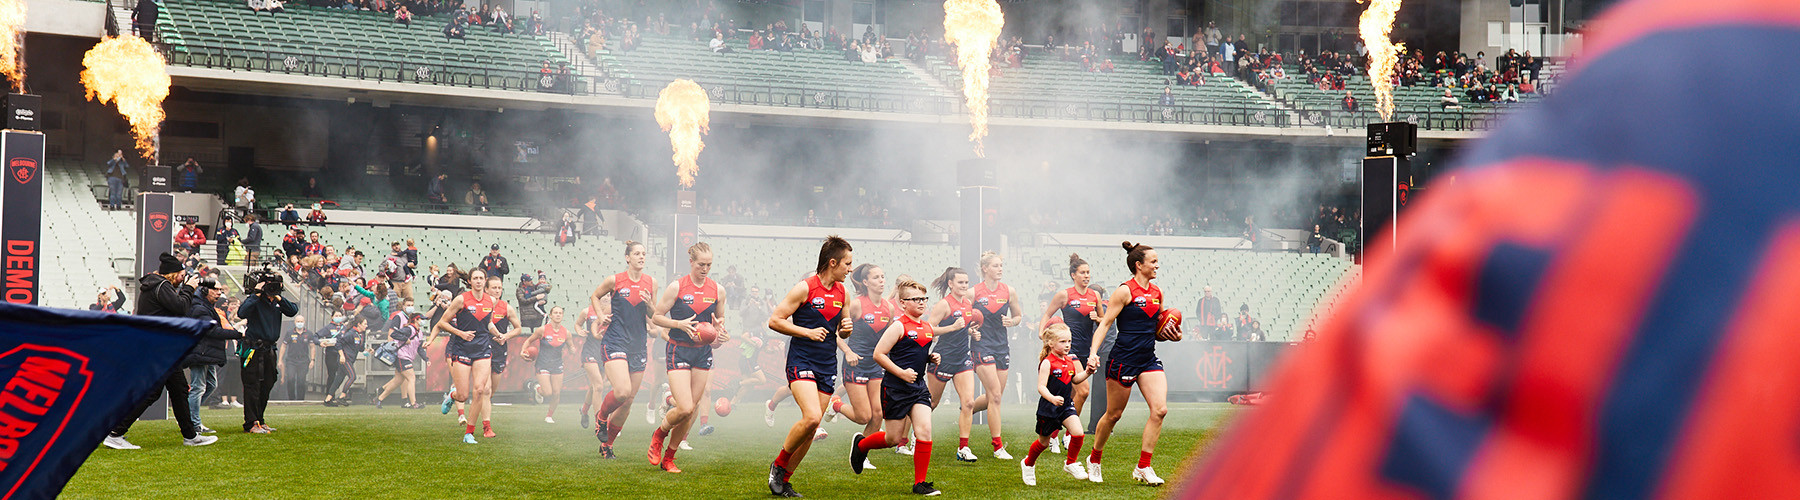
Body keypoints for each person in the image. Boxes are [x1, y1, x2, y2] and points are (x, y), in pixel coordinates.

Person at [765, 237, 855, 497]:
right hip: (801, 360)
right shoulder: (804, 288)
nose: (850, 269)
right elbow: (775, 320)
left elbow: (843, 330)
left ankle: (784, 481)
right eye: (847, 264)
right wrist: (807, 332)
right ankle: (778, 466)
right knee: (813, 417)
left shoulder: (844, 293)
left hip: (827, 363)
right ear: (833, 262)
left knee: (812, 427)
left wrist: (846, 329)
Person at [1084, 241, 1177, 485]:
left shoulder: (1158, 293)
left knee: (1160, 410)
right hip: (1123, 359)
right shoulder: (1125, 291)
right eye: (1153, 261)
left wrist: (1172, 334)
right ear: (1139, 265)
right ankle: (1094, 459)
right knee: (1113, 415)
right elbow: (1105, 323)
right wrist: (1093, 352)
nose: (1157, 265)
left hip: (1148, 359)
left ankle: (1143, 467)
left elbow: (1157, 329)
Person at [104, 253, 219, 449]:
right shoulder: (161, 286)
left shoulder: (156, 285)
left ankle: (190, 435)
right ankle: (115, 432)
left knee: (179, 389)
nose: (183, 279)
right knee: (152, 392)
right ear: (173, 274)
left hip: (159, 346)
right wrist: (190, 288)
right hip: (158, 347)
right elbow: (181, 307)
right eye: (182, 275)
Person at [847, 275, 943, 496]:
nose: (921, 302)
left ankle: (920, 483)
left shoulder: (927, 327)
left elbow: (915, 353)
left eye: (923, 298)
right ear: (903, 303)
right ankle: (861, 446)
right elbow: (878, 354)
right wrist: (901, 372)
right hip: (895, 389)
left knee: (925, 432)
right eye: (915, 299)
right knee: (892, 439)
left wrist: (930, 358)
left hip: (918, 388)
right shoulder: (898, 326)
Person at [647, 243, 731, 473]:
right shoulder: (677, 287)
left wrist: (720, 334)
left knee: (692, 410)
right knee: (684, 407)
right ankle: (659, 434)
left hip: (703, 353)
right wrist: (679, 325)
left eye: (709, 265)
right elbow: (656, 317)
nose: (705, 269)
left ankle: (669, 458)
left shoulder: (718, 290)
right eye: (701, 264)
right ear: (691, 262)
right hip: (678, 349)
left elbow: (719, 324)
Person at [587, 241, 657, 457]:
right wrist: (600, 316)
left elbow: (655, 315)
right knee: (622, 391)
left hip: (638, 345)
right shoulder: (615, 280)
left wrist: (650, 305)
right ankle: (601, 417)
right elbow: (595, 296)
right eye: (637, 253)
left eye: (644, 254)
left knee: (628, 402)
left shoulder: (651, 282)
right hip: (615, 341)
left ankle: (607, 446)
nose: (641, 257)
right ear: (627, 257)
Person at [1037, 253, 1102, 452]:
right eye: (1082, 272)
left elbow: (1104, 320)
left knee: (1073, 393)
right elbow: (1048, 314)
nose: (1087, 276)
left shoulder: (1095, 295)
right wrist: (1042, 332)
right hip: (1069, 349)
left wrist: (1097, 318)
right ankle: (1066, 434)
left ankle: (1056, 433)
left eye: (1088, 272)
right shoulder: (1064, 294)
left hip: (1086, 348)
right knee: (1083, 390)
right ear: (1073, 275)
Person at [1020, 323, 1095, 486]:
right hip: (1049, 408)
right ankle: (1028, 464)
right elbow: (1041, 386)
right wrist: (1052, 398)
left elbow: (1074, 379)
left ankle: (1070, 463)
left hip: (1066, 406)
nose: (1067, 345)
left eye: (1069, 341)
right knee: (1043, 443)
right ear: (1050, 343)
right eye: (1062, 341)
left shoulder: (1069, 361)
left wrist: (1087, 372)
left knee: (1078, 433)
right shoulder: (1047, 362)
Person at [833, 263, 889, 471]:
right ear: (865, 282)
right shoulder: (856, 305)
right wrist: (848, 352)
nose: (881, 280)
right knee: (863, 416)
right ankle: (836, 404)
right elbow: (835, 333)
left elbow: (887, 338)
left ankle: (861, 454)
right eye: (876, 277)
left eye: (883, 276)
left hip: (875, 366)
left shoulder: (888, 308)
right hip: (854, 365)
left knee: (878, 415)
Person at [969, 252, 1024, 460]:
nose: (1000, 269)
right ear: (985, 269)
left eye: (1001, 265)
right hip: (982, 345)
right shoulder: (973, 292)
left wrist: (1013, 321)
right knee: (996, 396)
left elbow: (1018, 316)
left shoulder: (1009, 291)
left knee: (996, 395)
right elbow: (964, 317)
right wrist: (970, 330)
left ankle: (967, 408)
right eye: (995, 266)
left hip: (1002, 346)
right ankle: (998, 446)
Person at [925, 267, 982, 463]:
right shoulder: (943, 305)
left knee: (969, 402)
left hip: (962, 358)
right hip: (942, 358)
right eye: (960, 282)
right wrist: (952, 327)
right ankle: (910, 437)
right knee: (930, 403)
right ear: (950, 284)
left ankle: (963, 448)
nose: (964, 286)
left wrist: (970, 333)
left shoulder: (967, 303)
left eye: (966, 282)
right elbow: (929, 330)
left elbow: (961, 329)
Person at [181, 279, 244, 435]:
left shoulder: (206, 307)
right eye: (215, 289)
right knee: (198, 387)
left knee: (211, 384)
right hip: (199, 352)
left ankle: (187, 416)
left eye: (220, 290)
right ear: (204, 290)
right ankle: (193, 424)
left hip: (204, 352)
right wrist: (238, 334)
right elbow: (212, 331)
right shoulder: (199, 308)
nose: (219, 293)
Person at [237, 271, 296, 432]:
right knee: (252, 385)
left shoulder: (277, 302)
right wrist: (257, 293)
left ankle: (260, 419)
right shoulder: (255, 301)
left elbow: (292, 311)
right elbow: (241, 312)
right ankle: (251, 423)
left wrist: (277, 296)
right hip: (253, 348)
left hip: (269, 348)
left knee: (268, 383)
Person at [480, 275, 523, 438]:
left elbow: (517, 328)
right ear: (486, 289)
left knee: (490, 393)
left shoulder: (506, 307)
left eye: (499, 288)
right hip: (482, 349)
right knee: (485, 389)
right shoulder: (481, 305)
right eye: (494, 288)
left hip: (500, 350)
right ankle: (487, 427)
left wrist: (506, 336)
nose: (497, 291)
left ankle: (479, 409)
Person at [523, 306, 570, 423]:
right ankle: (536, 388)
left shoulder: (566, 332)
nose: (558, 315)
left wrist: (572, 349)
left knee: (556, 393)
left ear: (562, 316)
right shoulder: (542, 330)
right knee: (547, 392)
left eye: (560, 313)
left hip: (557, 364)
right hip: (543, 363)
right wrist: (522, 351)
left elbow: (571, 346)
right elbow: (528, 340)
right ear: (551, 315)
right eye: (555, 313)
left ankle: (549, 415)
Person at [374, 302, 424, 409]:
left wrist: (426, 358)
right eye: (421, 319)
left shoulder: (419, 332)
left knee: (398, 381)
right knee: (411, 378)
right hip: (402, 356)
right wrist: (402, 341)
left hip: (406, 356)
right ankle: (413, 403)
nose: (423, 321)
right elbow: (393, 334)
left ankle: (379, 398)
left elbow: (419, 347)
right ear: (416, 320)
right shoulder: (407, 326)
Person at [280, 315, 312, 400]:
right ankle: (291, 399)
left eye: (301, 321)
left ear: (304, 322)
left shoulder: (308, 333)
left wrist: (313, 360)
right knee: (291, 379)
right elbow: (284, 345)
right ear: (295, 322)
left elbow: (312, 347)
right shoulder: (290, 333)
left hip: (304, 360)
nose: (300, 323)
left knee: (301, 381)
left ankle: (300, 400)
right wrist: (280, 360)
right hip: (291, 360)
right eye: (298, 321)